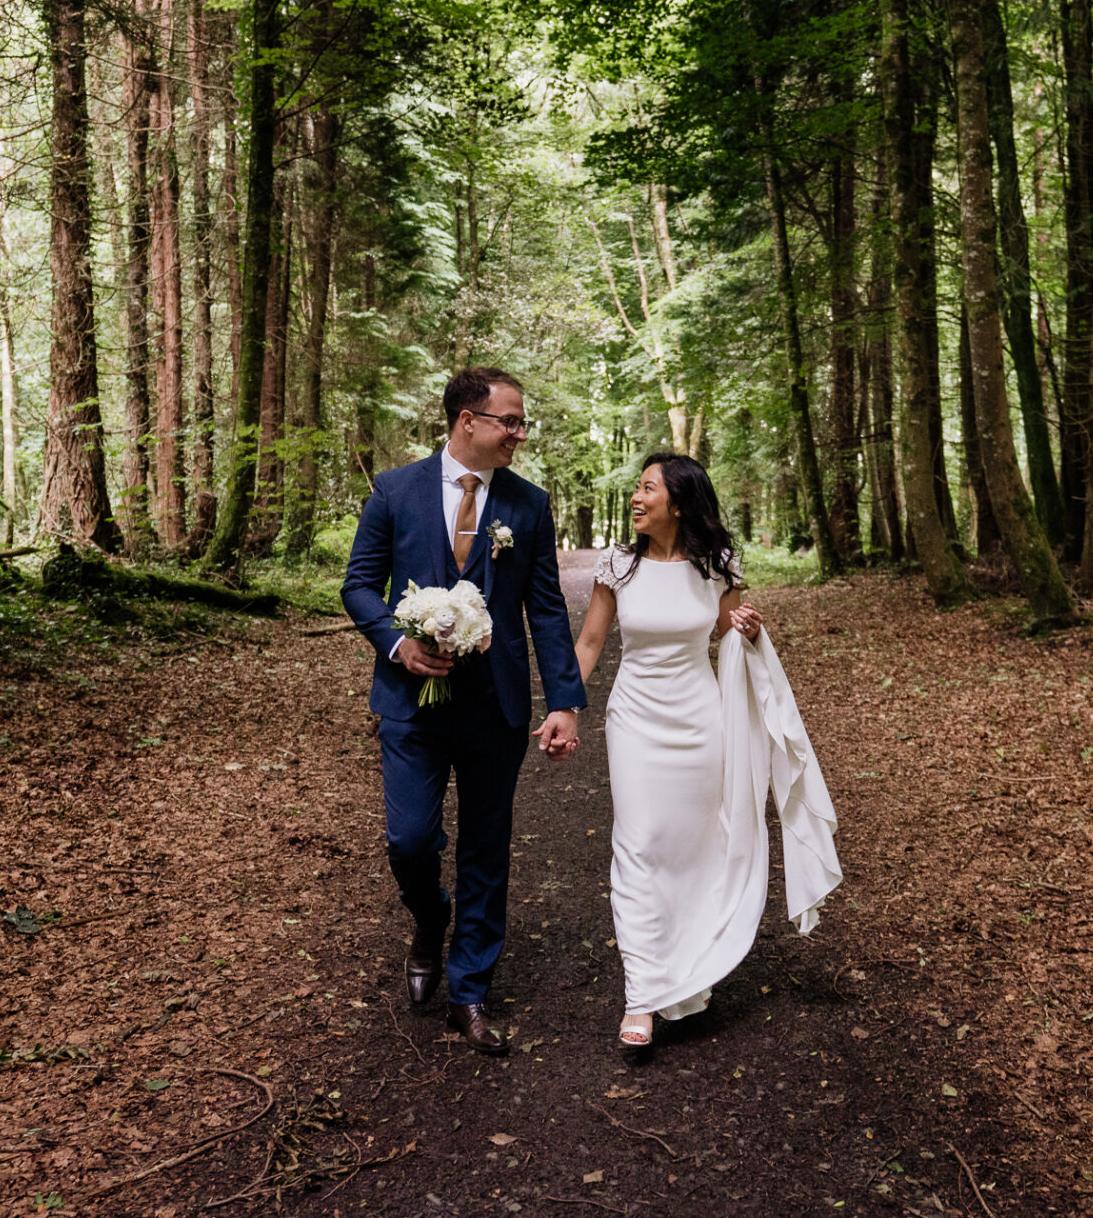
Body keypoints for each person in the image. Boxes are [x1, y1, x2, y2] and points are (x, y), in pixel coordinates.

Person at [341, 367, 586, 1056]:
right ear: (466, 421)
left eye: (521, 421)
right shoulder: (395, 490)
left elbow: (543, 608)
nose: (519, 432)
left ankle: (469, 990)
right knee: (410, 840)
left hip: (496, 705)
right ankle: (429, 918)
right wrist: (396, 644)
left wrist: (563, 700)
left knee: (486, 849)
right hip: (409, 705)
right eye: (509, 420)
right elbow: (359, 585)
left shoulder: (529, 506)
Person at [572, 453, 840, 1058]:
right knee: (638, 843)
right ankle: (641, 992)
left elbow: (725, 630)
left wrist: (744, 625)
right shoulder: (617, 565)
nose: (636, 498)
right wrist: (566, 706)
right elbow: (590, 641)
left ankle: (689, 972)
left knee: (697, 846)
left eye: (648, 489)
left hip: (701, 719)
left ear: (680, 502)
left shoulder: (719, 565)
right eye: (637, 488)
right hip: (636, 720)